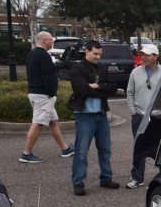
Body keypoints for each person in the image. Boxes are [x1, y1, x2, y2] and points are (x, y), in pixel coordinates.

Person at [68, 40, 119, 196]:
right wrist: (102, 89)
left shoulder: (102, 68)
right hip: (84, 116)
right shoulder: (77, 69)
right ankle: (78, 183)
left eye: (100, 54)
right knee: (81, 151)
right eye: (95, 53)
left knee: (105, 149)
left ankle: (106, 178)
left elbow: (113, 88)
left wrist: (97, 86)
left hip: (101, 115)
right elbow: (83, 90)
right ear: (87, 51)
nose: (98, 56)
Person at [20, 31, 74, 163]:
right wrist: (52, 92)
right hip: (43, 95)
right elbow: (48, 76)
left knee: (52, 122)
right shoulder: (43, 55)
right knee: (38, 123)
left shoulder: (31, 54)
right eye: (51, 39)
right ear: (45, 41)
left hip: (35, 92)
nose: (52, 41)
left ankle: (65, 149)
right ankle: (26, 154)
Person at [126, 44, 161, 189]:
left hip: (158, 118)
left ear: (155, 56)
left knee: (160, 148)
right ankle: (137, 177)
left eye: (147, 55)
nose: (143, 57)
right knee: (138, 148)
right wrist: (132, 111)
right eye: (142, 55)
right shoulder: (135, 72)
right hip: (139, 116)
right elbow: (130, 93)